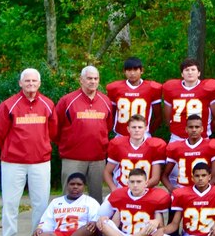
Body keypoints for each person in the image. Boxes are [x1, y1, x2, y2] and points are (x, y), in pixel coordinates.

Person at [0, 67, 58, 236]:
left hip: (40, 161)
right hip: (13, 162)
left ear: (39, 83)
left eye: (34, 81)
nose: (31, 84)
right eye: (27, 81)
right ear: (20, 83)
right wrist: (13, 150)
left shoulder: (47, 104)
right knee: (10, 203)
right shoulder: (8, 105)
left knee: (40, 203)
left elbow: (53, 132)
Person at [54, 65, 115, 201]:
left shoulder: (106, 101)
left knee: (96, 197)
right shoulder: (67, 101)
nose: (92, 81)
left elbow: (108, 126)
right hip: (73, 157)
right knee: (70, 195)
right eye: (89, 78)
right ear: (81, 80)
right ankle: (67, 221)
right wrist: (67, 144)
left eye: (95, 78)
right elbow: (55, 127)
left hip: (98, 158)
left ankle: (96, 223)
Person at [92, 167, 171, 236]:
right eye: (132, 182)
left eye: (139, 181)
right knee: (102, 222)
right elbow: (115, 224)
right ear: (127, 183)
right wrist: (104, 220)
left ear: (146, 183)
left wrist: (156, 222)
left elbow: (160, 225)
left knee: (149, 227)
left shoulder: (156, 197)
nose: (135, 185)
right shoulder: (120, 195)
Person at [31, 172, 101, 236]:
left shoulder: (90, 201)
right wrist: (40, 229)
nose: (75, 187)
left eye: (79, 184)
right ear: (67, 185)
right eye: (72, 184)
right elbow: (46, 222)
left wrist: (94, 222)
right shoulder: (56, 202)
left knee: (89, 228)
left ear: (84, 186)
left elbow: (96, 219)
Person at [162, 58, 215, 140]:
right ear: (182, 74)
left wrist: (207, 130)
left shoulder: (209, 88)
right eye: (187, 70)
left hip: (202, 137)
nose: (190, 72)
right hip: (177, 138)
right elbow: (167, 117)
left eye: (193, 69)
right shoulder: (171, 88)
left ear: (199, 73)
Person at [105, 114, 167, 191]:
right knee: (106, 203)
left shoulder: (154, 146)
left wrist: (138, 189)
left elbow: (155, 178)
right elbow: (107, 172)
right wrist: (113, 188)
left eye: (140, 127)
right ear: (128, 129)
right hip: (122, 188)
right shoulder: (118, 144)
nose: (137, 130)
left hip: (145, 189)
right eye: (133, 127)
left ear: (145, 129)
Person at [106, 57, 162, 137]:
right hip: (121, 134)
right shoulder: (115, 88)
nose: (132, 73)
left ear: (141, 70)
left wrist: (149, 130)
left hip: (143, 135)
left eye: (135, 70)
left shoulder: (151, 88)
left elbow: (158, 116)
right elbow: (112, 114)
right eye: (129, 70)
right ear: (124, 71)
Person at [163, 114, 215, 188]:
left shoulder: (211, 146)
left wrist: (205, 191)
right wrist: (172, 189)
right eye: (191, 127)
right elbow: (164, 175)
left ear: (202, 129)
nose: (194, 130)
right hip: (183, 189)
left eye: (197, 127)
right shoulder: (176, 147)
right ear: (186, 129)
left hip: (204, 190)